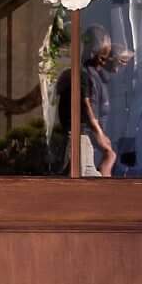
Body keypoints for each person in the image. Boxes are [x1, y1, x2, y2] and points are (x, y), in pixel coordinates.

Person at [49, 26, 127, 176]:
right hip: (80, 139)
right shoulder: (83, 76)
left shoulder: (89, 76)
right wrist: (99, 134)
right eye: (102, 55)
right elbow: (87, 106)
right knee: (94, 177)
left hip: (80, 139)